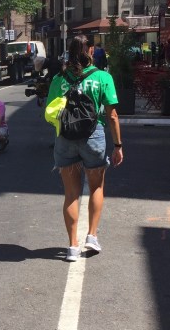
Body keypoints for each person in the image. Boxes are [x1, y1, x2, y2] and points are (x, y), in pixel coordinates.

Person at [46, 35, 123, 262]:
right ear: (91, 50)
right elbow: (112, 115)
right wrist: (118, 145)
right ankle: (91, 235)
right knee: (96, 187)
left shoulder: (59, 78)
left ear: (68, 51)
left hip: (66, 138)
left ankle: (72, 247)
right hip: (94, 135)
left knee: (71, 194)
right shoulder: (102, 77)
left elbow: (50, 113)